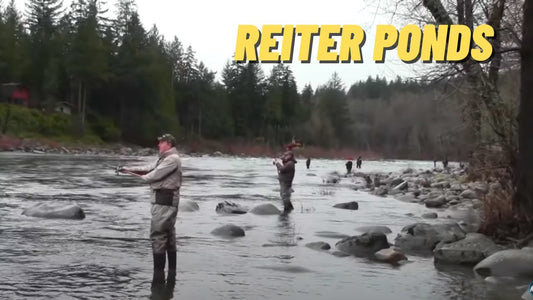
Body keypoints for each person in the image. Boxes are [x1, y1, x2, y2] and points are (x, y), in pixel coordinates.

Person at [119, 133, 182, 284]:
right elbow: (148, 168)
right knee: (169, 237)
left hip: (163, 203)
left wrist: (134, 175)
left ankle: (158, 278)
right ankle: (171, 275)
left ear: (168, 143)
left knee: (158, 236)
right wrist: (127, 169)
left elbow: (151, 176)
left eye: (160, 142)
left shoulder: (172, 159)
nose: (158, 145)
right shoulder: (166, 158)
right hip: (166, 203)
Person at [274, 149, 296, 214]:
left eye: (285, 155)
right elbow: (283, 168)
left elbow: (282, 169)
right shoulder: (288, 163)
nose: (284, 156)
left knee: (285, 196)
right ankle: (289, 210)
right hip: (284, 183)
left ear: (289, 156)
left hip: (286, 183)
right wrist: (281, 161)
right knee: (284, 196)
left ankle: (287, 211)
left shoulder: (290, 164)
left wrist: (277, 163)